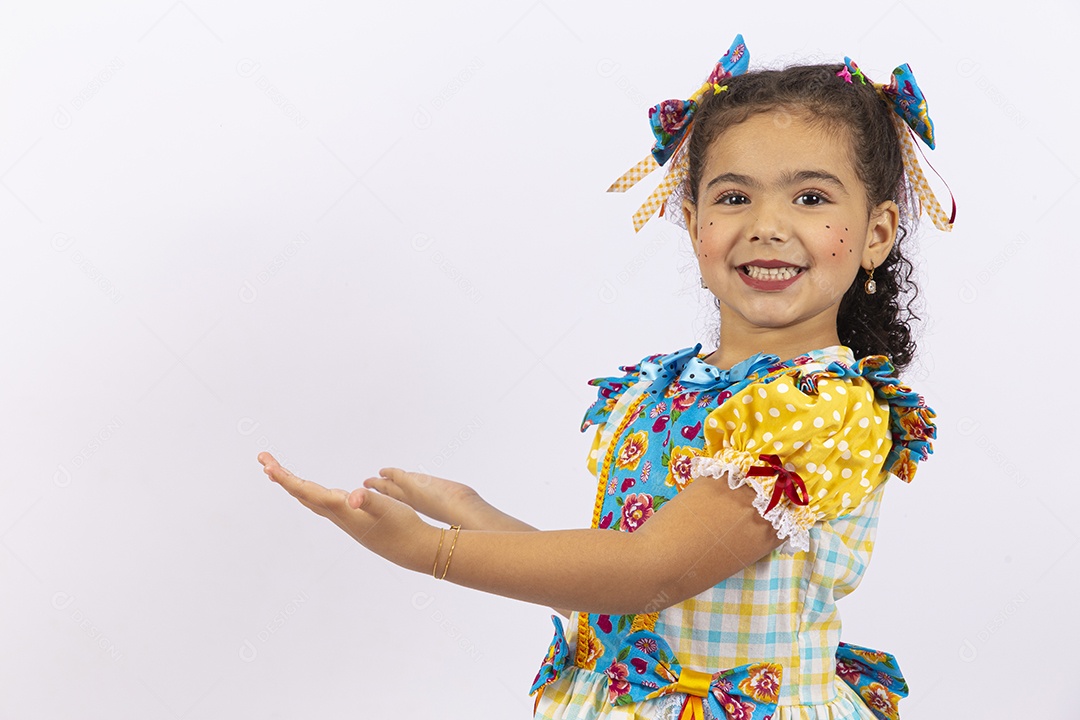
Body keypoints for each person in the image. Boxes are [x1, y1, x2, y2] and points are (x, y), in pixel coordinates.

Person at [257, 34, 950, 720]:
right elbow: (610, 590)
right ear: (692, 221)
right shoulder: (668, 384)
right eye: (734, 197)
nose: (767, 225)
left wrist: (432, 552)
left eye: (810, 199)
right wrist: (475, 512)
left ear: (877, 233)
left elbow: (649, 574)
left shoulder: (823, 410)